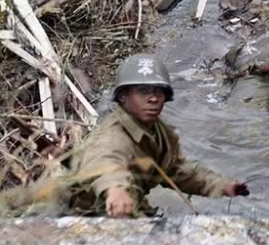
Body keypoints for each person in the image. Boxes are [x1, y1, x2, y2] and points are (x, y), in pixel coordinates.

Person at [65, 54, 249, 217]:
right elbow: (104, 162)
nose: (153, 99)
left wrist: (219, 185)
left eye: (158, 91)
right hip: (86, 216)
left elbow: (177, 170)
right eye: (143, 91)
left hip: (125, 208)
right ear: (123, 97)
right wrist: (114, 190)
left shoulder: (157, 131)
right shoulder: (112, 136)